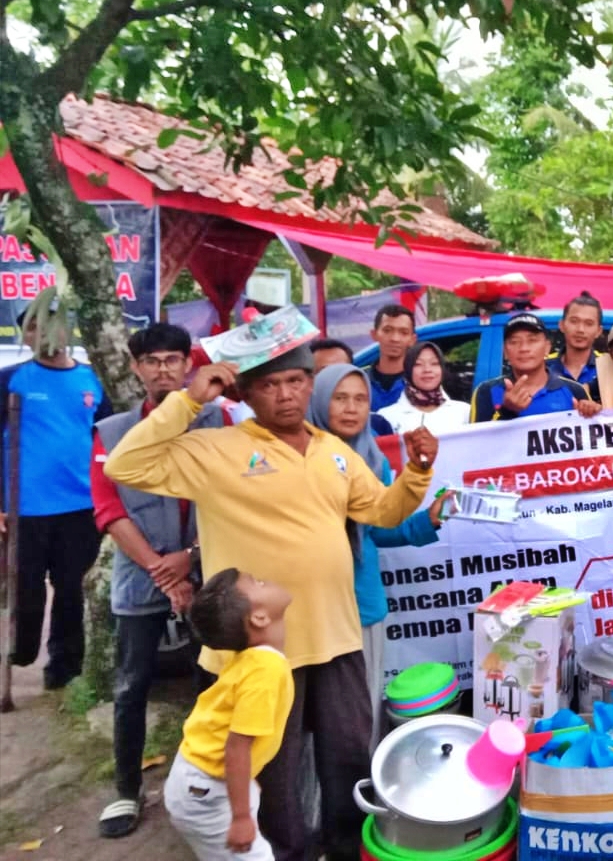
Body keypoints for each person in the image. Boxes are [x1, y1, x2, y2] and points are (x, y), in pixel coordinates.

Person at [103, 344, 438, 861]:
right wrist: (189, 401)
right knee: (273, 774)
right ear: (245, 393)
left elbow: (382, 511)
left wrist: (416, 471)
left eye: (296, 382)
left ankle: (350, 850)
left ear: (310, 384)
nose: (285, 394)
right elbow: (126, 464)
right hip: (260, 649)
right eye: (269, 384)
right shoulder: (215, 448)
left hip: (337, 634)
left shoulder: (334, 450)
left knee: (348, 756)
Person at [92, 324, 229, 839]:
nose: (164, 369)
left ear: (188, 364)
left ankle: (202, 778)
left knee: (211, 679)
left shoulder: (218, 420)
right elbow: (107, 510)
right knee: (131, 685)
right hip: (140, 573)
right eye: (152, 361)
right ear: (136, 367)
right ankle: (127, 789)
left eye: (174, 359)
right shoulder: (111, 431)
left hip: (209, 569)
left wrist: (189, 557)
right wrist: (161, 567)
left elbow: (227, 496)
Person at [307, 363, 451, 753]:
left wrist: (428, 520)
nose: (352, 408)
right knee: (309, 721)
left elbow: (380, 528)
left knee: (360, 712)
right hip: (309, 610)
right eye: (340, 398)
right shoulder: (295, 460)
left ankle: (357, 799)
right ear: (319, 401)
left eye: (360, 399)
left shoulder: (372, 461)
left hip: (363, 606)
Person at [0, 288, 112, 690]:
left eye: (54, 321)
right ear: (25, 335)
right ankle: (21, 651)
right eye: (34, 325)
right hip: (25, 508)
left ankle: (63, 667)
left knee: (71, 590)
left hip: (81, 505)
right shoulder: (11, 381)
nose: (46, 331)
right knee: (25, 589)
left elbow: (107, 440)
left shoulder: (92, 380)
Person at [164, 568, 294, 861]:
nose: (267, 578)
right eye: (259, 581)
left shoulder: (256, 660)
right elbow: (237, 746)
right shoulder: (264, 671)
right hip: (207, 791)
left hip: (204, 782)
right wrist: (240, 818)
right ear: (258, 618)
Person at [471, 314, 595, 422]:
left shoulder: (574, 390)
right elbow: (476, 444)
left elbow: (594, 441)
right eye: (514, 342)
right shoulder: (486, 391)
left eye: (532, 340)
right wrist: (507, 411)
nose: (524, 348)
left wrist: (592, 413)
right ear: (505, 352)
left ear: (547, 347)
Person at [378, 341, 471, 435]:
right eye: (418, 364)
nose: (427, 370)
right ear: (408, 369)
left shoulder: (464, 411)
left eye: (434, 363)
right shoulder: (386, 417)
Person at [366, 304, 416, 412]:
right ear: (374, 334)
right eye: (387, 330)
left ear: (412, 339)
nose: (395, 338)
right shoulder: (359, 380)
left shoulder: (422, 382)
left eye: (404, 332)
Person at [547, 291, 603, 386]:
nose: (580, 330)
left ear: (598, 331)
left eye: (589, 323)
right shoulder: (545, 366)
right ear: (562, 325)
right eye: (574, 321)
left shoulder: (609, 368)